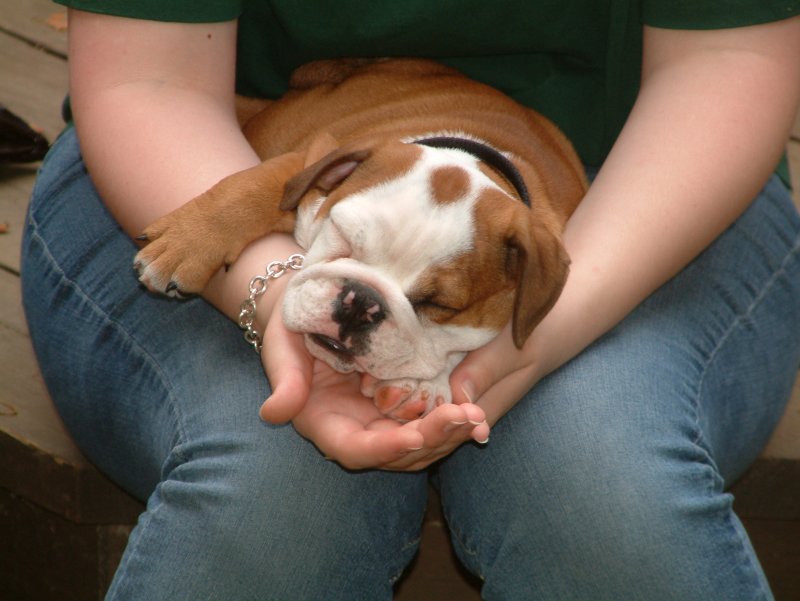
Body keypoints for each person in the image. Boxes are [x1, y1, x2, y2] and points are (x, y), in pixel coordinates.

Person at [20, 2, 800, 599]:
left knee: (597, 487)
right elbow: (148, 80)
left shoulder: (532, 264)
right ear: (316, 195)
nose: (368, 307)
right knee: (278, 490)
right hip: (193, 149)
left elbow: (729, 56)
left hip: (664, 183)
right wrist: (268, 286)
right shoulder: (310, 175)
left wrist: (546, 337)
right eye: (351, 249)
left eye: (430, 304)